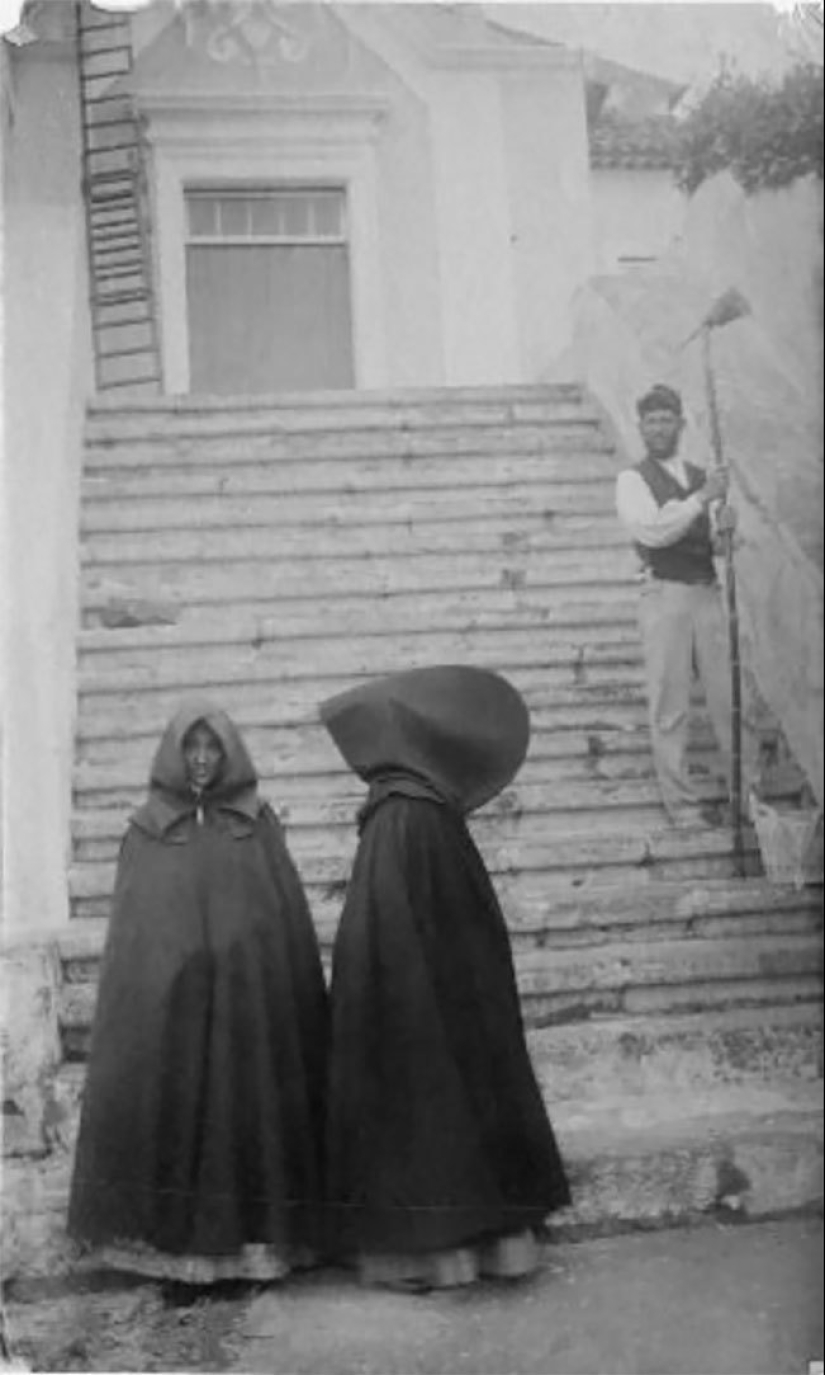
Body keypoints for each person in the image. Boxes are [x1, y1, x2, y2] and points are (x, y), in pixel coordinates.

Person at [319, 664, 571, 1292]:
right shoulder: (429, 811)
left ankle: (433, 1256)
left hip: (410, 1007)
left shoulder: (399, 818)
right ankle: (495, 1247)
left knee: (424, 1126)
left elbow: (384, 932)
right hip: (448, 999)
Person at [68, 700, 328, 1295]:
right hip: (174, 1009)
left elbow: (281, 915)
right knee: (177, 1116)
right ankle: (175, 1258)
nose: (203, 759)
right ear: (174, 754)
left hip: (245, 1006)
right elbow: (135, 934)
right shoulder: (147, 828)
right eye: (192, 748)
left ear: (230, 752)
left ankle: (257, 1251)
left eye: (213, 748)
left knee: (248, 1112)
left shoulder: (258, 822)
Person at [615, 383, 756, 828]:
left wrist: (727, 532)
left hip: (706, 592)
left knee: (731, 700)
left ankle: (748, 797)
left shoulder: (700, 476)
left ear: (680, 423)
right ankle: (684, 807)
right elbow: (653, 531)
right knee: (670, 704)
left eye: (666, 419)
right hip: (664, 598)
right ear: (641, 428)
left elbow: (710, 541)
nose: (659, 428)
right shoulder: (633, 479)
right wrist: (702, 500)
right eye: (651, 421)